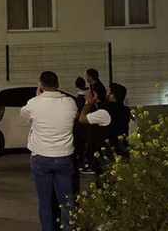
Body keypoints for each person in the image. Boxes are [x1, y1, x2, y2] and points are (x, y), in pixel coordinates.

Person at [21, 71, 78, 231]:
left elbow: (24, 114)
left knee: (44, 200)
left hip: (41, 156)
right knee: (67, 199)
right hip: (65, 156)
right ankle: (69, 227)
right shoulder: (70, 103)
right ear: (58, 84)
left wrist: (38, 96)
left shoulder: (34, 103)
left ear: (41, 85)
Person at [79, 82, 131, 174]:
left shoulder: (106, 112)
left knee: (104, 182)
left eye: (109, 92)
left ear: (112, 96)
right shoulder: (125, 110)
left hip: (107, 155)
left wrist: (88, 103)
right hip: (122, 152)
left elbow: (82, 119)